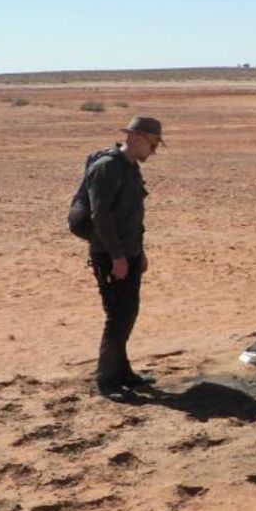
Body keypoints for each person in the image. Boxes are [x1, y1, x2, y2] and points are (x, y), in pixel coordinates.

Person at [87, 115, 165, 402]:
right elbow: (100, 216)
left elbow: (133, 217)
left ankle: (123, 372)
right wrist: (117, 257)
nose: (153, 151)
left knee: (127, 313)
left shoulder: (131, 168)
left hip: (129, 254)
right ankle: (107, 380)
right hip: (110, 255)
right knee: (117, 316)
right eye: (154, 144)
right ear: (140, 138)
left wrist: (139, 253)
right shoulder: (107, 167)